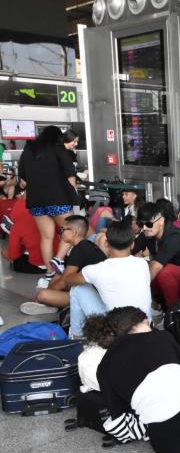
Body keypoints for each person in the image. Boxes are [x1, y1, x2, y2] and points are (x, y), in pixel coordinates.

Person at [94, 307, 180, 453]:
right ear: (137, 324)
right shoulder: (161, 337)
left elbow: (119, 418)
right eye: (148, 323)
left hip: (172, 449)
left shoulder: (103, 369)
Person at [64, 220, 152, 337]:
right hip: (145, 325)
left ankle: (77, 336)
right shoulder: (143, 264)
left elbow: (68, 280)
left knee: (77, 289)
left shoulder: (95, 270)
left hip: (117, 329)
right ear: (132, 244)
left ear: (106, 244)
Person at [18, 126, 78, 283]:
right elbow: (70, 175)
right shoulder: (58, 149)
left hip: (36, 202)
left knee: (46, 237)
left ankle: (50, 273)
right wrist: (75, 196)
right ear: (57, 137)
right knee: (73, 229)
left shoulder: (28, 152)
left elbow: (23, 180)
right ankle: (58, 259)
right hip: (58, 198)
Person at [20, 215, 105, 315]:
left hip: (93, 298)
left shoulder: (79, 249)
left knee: (42, 294)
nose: (61, 232)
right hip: (89, 290)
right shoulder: (85, 245)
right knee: (56, 278)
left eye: (63, 229)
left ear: (73, 232)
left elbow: (65, 282)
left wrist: (47, 291)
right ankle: (51, 304)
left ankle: (50, 304)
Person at [136, 201, 180, 308]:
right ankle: (156, 304)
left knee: (162, 271)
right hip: (168, 277)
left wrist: (136, 292)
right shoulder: (148, 232)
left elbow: (156, 266)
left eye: (148, 224)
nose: (144, 228)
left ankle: (172, 311)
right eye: (141, 224)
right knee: (140, 265)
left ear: (161, 221)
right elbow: (129, 249)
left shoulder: (175, 236)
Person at [1, 187, 48, 274]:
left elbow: (12, 255)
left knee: (4, 252)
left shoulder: (18, 224)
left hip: (37, 265)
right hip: (56, 262)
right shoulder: (52, 215)